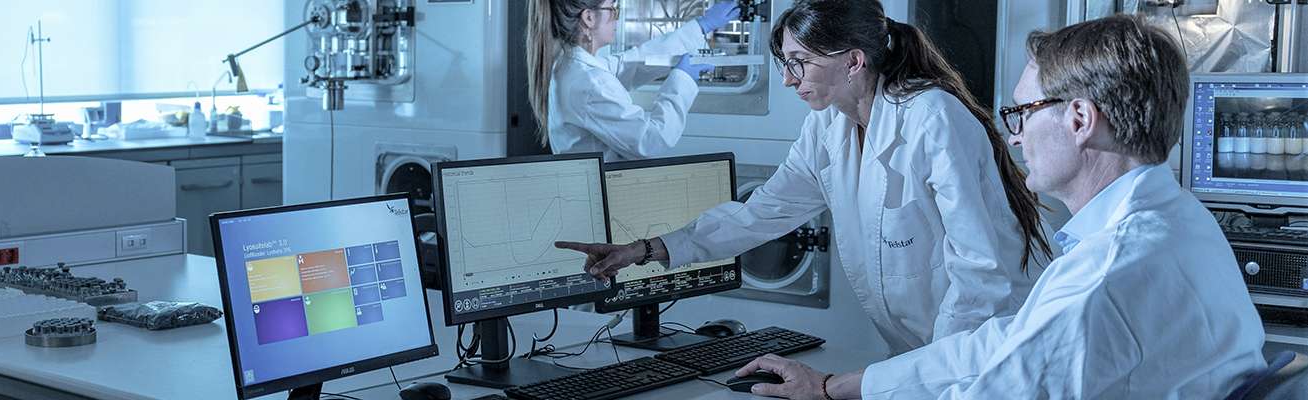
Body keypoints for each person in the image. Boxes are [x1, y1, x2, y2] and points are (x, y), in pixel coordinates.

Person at [729, 15, 1269, 399]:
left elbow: (985, 387)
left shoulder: (1101, 279)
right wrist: (838, 387)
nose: (1013, 137)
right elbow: (1002, 344)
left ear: (1080, 120)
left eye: (1024, 112)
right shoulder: (1179, 221)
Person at [554, 0, 1055, 355]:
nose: (790, 79)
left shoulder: (931, 118)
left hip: (988, 350)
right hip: (919, 357)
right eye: (785, 64)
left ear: (853, 62)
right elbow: (759, 214)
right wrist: (645, 250)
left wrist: (932, 373)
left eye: (799, 63)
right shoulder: (828, 127)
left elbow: (980, 271)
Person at [528, 0, 739, 160]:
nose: (617, 17)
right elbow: (652, 141)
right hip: (606, 195)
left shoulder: (569, 65)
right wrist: (681, 80)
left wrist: (700, 27)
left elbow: (631, 63)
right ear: (589, 18)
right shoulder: (588, 81)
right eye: (613, 9)